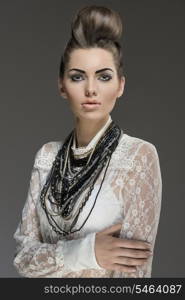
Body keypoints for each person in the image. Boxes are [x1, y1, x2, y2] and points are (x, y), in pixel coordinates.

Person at [13, 5, 162, 278]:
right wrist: (87, 252)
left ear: (120, 85)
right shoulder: (47, 157)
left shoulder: (138, 156)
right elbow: (23, 258)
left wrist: (54, 257)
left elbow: (135, 275)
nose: (91, 89)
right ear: (61, 85)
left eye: (104, 76)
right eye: (77, 77)